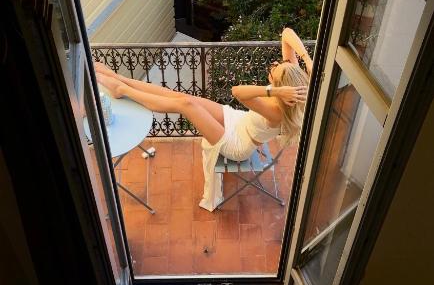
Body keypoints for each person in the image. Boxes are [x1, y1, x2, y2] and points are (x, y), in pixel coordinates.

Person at [95, 27, 312, 211]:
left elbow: (236, 91)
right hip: (238, 121)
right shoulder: (294, 83)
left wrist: (271, 91)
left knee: (185, 105)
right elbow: (286, 33)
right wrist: (307, 60)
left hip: (237, 144)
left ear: (279, 87)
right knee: (182, 96)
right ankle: (119, 79)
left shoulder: (275, 110)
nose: (273, 65)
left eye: (274, 70)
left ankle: (122, 88)